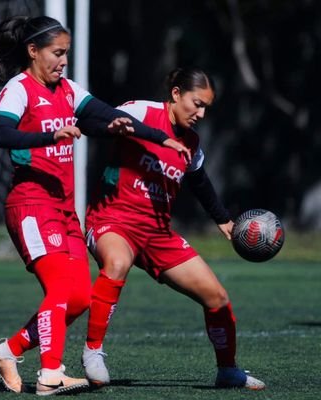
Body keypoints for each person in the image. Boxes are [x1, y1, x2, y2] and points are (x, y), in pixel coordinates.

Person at [0, 16, 189, 396]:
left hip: (63, 209)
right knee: (60, 287)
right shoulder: (19, 89)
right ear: (32, 51)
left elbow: (108, 115)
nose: (63, 61)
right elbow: (1, 134)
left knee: (79, 297)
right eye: (57, 53)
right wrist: (50, 134)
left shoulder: (68, 90)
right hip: (30, 205)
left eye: (66, 54)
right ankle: (50, 374)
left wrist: (157, 136)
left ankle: (6, 351)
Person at [78, 67, 266, 390]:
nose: (201, 113)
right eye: (197, 103)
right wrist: (111, 127)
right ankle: (93, 352)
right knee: (117, 263)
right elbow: (88, 123)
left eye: (206, 107)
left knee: (217, 297)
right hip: (112, 219)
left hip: (157, 234)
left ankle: (228, 370)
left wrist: (223, 219)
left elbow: (199, 181)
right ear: (176, 94)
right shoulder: (141, 111)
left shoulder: (191, 142)